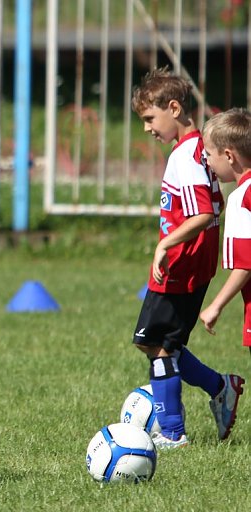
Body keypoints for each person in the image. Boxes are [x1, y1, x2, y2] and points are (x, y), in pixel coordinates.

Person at [129, 67, 243, 449]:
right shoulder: (198, 149)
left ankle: (173, 432)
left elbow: (202, 213)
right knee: (165, 342)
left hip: (182, 262)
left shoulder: (186, 155)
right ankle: (220, 387)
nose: (147, 128)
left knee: (155, 344)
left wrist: (165, 244)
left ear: (174, 108)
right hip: (195, 261)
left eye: (150, 118)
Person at [197, 108, 251, 436]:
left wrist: (215, 306)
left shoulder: (242, 197)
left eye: (209, 154)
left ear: (229, 156)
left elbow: (246, 263)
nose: (206, 161)